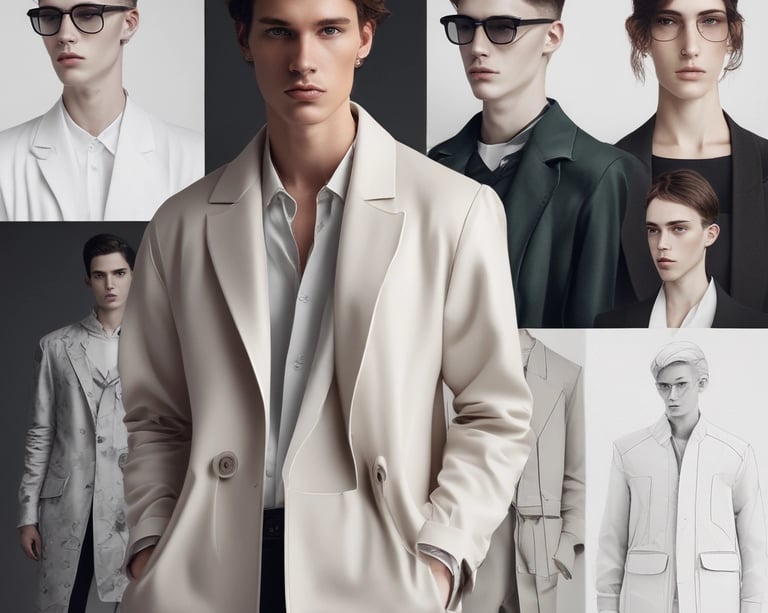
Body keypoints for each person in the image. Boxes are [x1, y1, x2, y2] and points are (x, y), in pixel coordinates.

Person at [118, 0, 534, 612]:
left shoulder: (455, 211)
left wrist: (443, 556)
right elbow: (156, 418)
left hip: (377, 570)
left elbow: (495, 410)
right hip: (205, 572)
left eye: (329, 30)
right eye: (279, 32)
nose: (303, 60)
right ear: (244, 39)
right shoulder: (179, 223)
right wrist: (151, 545)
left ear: (364, 37)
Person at [428, 0, 647, 328]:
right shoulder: (434, 167)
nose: (477, 47)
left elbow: (595, 335)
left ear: (552, 36)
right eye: (464, 27)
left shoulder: (603, 174)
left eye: (502, 27)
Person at [618, 0, 768, 312]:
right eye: (668, 22)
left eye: (710, 21)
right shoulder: (606, 175)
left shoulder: (765, 166)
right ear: (639, 34)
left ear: (733, 33)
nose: (690, 47)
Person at [595, 341, 767, 613]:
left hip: (714, 600)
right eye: (664, 386)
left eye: (681, 384)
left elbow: (754, 546)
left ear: (702, 383)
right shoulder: (629, 451)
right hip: (645, 601)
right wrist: (606, 605)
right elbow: (612, 538)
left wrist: (753, 607)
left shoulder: (735, 453)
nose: (672, 395)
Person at [17, 234, 136, 613]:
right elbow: (41, 432)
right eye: (100, 276)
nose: (110, 284)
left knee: (133, 600)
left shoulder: (157, 346)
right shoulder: (55, 347)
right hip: (68, 502)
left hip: (130, 500)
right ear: (88, 281)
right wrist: (27, 514)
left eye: (119, 273)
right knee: (64, 602)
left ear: (134, 275)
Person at [0, 0, 203, 221]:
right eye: (50, 16)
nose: (65, 35)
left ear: (129, 23)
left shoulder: (195, 158)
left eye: (87, 15)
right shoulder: (5, 159)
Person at [463, 330, 584, 613]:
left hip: (541, 550)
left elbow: (576, 474)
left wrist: (568, 543)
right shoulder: (465, 367)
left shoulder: (566, 374)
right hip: (479, 546)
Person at [596, 169, 768, 327]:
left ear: (710, 235)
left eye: (679, 228)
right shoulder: (611, 325)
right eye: (653, 230)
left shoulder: (757, 328)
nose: (662, 244)